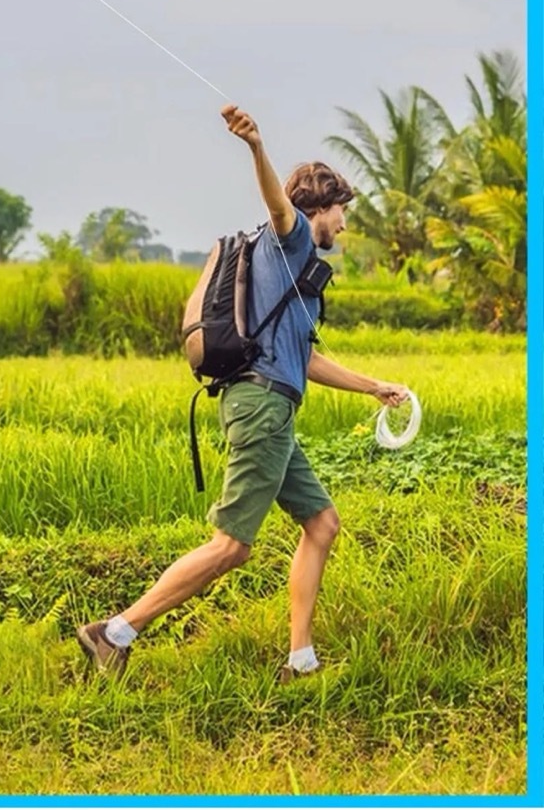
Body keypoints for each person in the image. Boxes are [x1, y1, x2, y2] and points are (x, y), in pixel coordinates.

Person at [77, 103, 410, 683]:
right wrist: (257, 147)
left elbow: (302, 358)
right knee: (232, 546)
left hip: (269, 404)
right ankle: (115, 632)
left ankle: (300, 661)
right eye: (341, 212)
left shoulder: (282, 266)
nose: (344, 226)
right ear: (319, 209)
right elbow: (280, 206)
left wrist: (372, 387)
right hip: (262, 409)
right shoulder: (292, 238)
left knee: (322, 523)